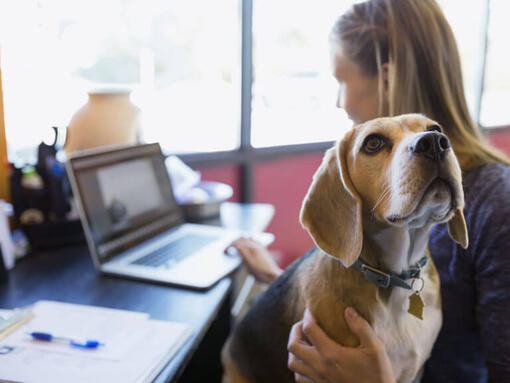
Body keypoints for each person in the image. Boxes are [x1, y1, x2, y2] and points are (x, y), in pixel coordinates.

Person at [227, 0, 510, 382]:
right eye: (378, 144)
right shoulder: (388, 225)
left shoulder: (497, 204)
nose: (339, 101)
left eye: (340, 81)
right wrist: (282, 284)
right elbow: (355, 281)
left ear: (387, 80)